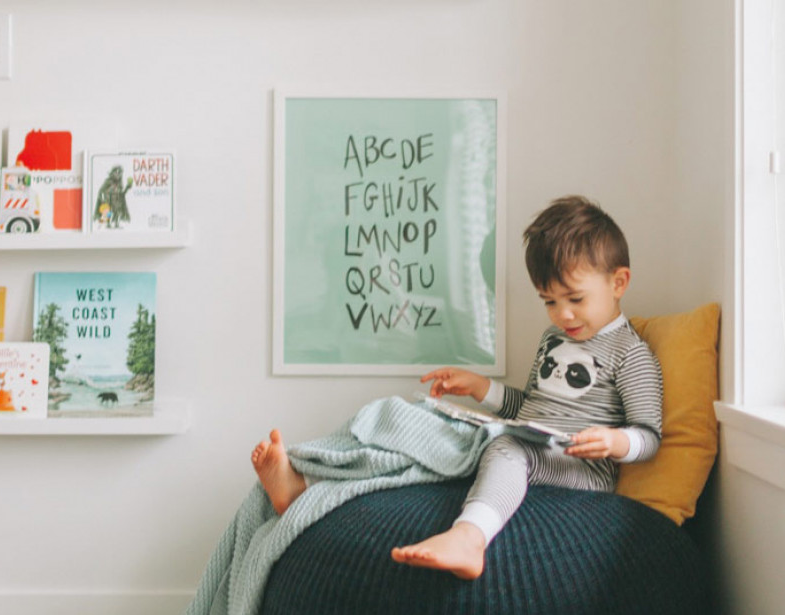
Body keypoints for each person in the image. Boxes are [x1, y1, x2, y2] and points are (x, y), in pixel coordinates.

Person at [251, 195, 662, 580]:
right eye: (549, 302)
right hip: (534, 441)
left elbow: (649, 436)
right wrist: (482, 388)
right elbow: (530, 410)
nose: (562, 314)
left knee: (506, 448)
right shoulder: (553, 341)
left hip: (581, 467)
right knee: (418, 421)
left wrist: (614, 442)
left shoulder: (631, 354)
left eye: (574, 298)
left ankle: (469, 539)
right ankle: (306, 484)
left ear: (618, 282)